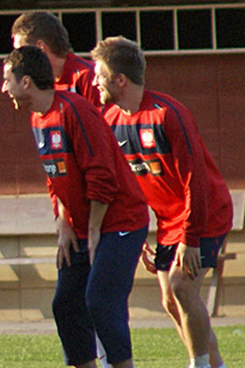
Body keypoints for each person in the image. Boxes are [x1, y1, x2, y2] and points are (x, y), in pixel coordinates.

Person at [1, 46, 150, 368]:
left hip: (119, 221)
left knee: (100, 301)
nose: (3, 88)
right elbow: (56, 176)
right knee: (65, 305)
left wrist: (94, 228)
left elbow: (102, 174)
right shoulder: (37, 118)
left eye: (7, 79)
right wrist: (63, 222)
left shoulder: (75, 109)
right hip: (82, 226)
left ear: (26, 82)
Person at [91, 37, 232, 368]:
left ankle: (198, 365)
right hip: (167, 221)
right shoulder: (110, 120)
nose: (94, 81)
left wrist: (191, 238)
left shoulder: (167, 113)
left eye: (99, 74)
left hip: (205, 213)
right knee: (170, 299)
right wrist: (139, 233)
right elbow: (126, 187)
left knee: (182, 287)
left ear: (119, 79)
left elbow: (194, 179)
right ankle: (215, 364)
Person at [12, 11, 100, 105]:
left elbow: (101, 119)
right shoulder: (44, 83)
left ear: (40, 47)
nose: (19, 58)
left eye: (21, 51)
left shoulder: (88, 76)